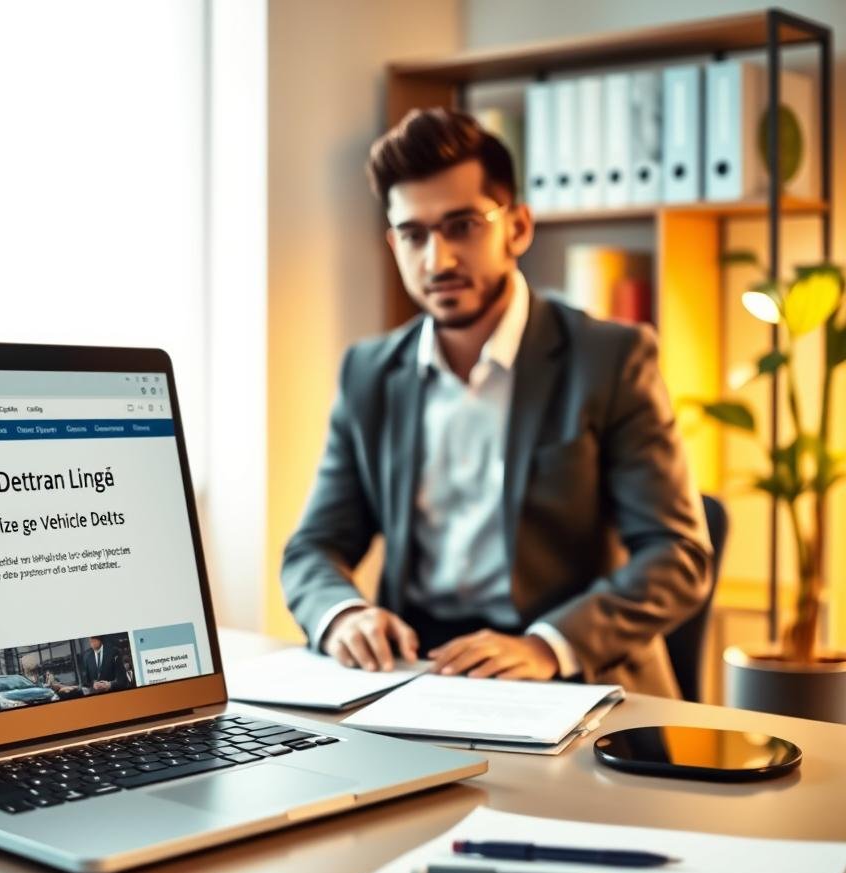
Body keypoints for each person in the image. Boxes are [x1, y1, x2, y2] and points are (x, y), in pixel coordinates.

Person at [281, 107, 713, 698]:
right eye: (414, 234)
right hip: (419, 674)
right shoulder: (370, 373)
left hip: (565, 674)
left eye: (462, 225)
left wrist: (546, 645)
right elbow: (313, 547)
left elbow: (678, 555)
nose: (438, 260)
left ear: (518, 227)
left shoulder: (609, 359)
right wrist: (343, 615)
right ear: (393, 241)